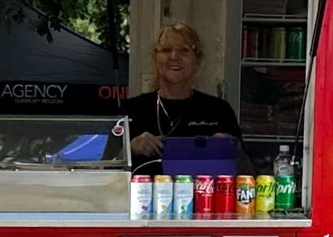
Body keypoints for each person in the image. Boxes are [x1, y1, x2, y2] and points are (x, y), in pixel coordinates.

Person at [104, 23, 253, 176]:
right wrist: (131, 149)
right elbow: (105, 169)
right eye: (166, 50)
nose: (174, 57)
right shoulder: (131, 109)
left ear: (197, 61)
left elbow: (247, 175)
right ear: (156, 58)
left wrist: (231, 150)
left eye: (184, 50)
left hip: (203, 199)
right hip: (141, 199)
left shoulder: (219, 110)